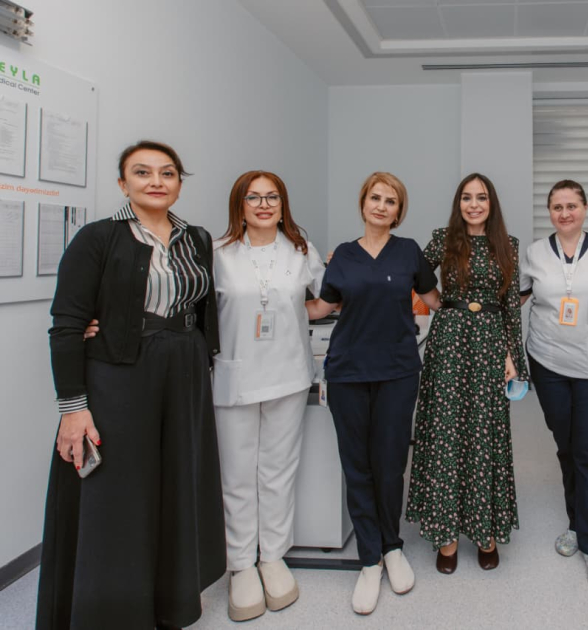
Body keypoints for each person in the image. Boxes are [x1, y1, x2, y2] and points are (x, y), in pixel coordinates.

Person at [39, 141, 225, 629]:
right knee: (118, 494)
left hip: (184, 376)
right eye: (142, 172)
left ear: (179, 183)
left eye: (167, 172)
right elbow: (66, 325)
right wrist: (73, 408)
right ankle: (114, 613)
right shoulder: (98, 238)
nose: (156, 181)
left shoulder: (196, 238)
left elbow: (201, 308)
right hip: (120, 378)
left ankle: (170, 604)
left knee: (176, 485)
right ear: (123, 183)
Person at [310, 172, 440, 616]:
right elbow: (323, 306)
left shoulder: (409, 252)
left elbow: (435, 300)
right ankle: (370, 558)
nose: (382, 206)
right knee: (357, 465)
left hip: (398, 371)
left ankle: (392, 546)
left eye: (391, 201)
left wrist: (482, 306)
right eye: (375, 198)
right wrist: (266, 300)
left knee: (389, 464)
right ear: (363, 203)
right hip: (348, 371)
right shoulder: (342, 256)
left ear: (399, 211)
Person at [211, 171, 325, 621]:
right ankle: (241, 564)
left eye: (272, 197)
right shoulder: (217, 253)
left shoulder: (301, 250)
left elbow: (325, 300)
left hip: (289, 374)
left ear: (283, 204)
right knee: (237, 474)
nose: (263, 204)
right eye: (253, 197)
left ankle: (273, 557)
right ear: (239, 205)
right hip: (235, 377)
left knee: (278, 469)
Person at [406, 172, 527, 574]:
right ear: (458, 203)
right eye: (466, 197)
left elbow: (510, 306)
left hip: (490, 342)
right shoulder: (444, 239)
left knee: (484, 432)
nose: (474, 204)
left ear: (492, 204)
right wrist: (436, 303)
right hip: (450, 340)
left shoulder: (508, 245)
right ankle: (447, 533)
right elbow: (412, 274)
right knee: (446, 433)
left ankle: (484, 529)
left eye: (481, 197)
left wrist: (513, 356)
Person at [519, 180, 588, 588]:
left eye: (571, 206)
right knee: (567, 448)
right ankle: (576, 523)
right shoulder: (534, 253)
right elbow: (515, 300)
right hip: (549, 363)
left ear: (585, 209)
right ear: (549, 211)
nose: (564, 213)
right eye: (557, 207)